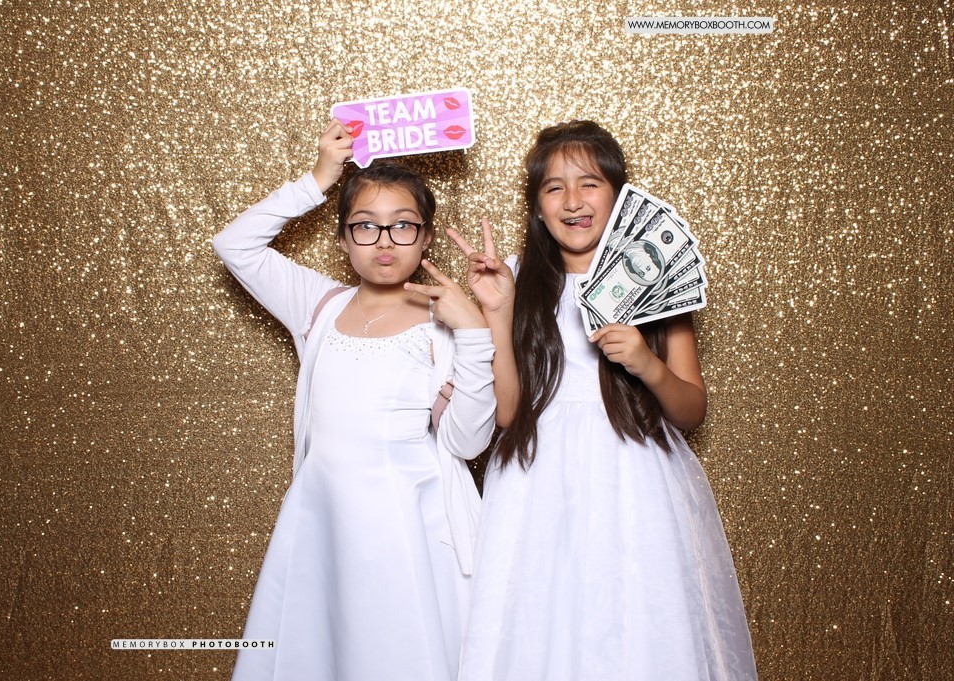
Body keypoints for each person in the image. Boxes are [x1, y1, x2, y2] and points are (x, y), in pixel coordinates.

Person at [450, 120, 757, 680]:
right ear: (537, 206)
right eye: (554, 187)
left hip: (633, 475)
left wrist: (645, 363)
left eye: (589, 183)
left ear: (619, 194)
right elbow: (508, 412)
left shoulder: (656, 278)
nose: (573, 200)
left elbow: (691, 412)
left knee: (635, 626)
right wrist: (497, 310)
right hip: (534, 478)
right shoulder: (512, 279)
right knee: (538, 627)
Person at [212, 119, 496, 681]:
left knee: (404, 652)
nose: (384, 242)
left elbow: (468, 442)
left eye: (403, 226)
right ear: (341, 239)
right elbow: (234, 245)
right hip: (327, 519)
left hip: (411, 525)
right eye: (365, 226)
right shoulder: (318, 304)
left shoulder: (447, 321)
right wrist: (318, 179)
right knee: (326, 651)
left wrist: (472, 331)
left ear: (427, 238)